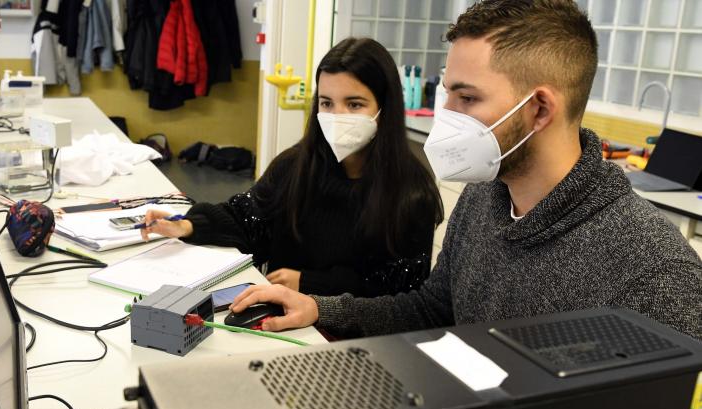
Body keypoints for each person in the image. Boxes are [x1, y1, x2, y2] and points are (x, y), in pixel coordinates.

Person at [229, 0, 702, 339]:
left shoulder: (653, 270)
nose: (446, 115)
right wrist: (319, 307)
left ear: (539, 110)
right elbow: (434, 307)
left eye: (467, 98)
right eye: (447, 94)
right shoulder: (484, 197)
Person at [140, 38, 443, 297]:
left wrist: (311, 284)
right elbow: (248, 218)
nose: (336, 116)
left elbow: (401, 291)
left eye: (354, 105)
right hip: (281, 319)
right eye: (326, 103)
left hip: (353, 339)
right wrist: (188, 224)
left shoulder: (412, 192)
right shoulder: (294, 166)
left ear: (384, 107)